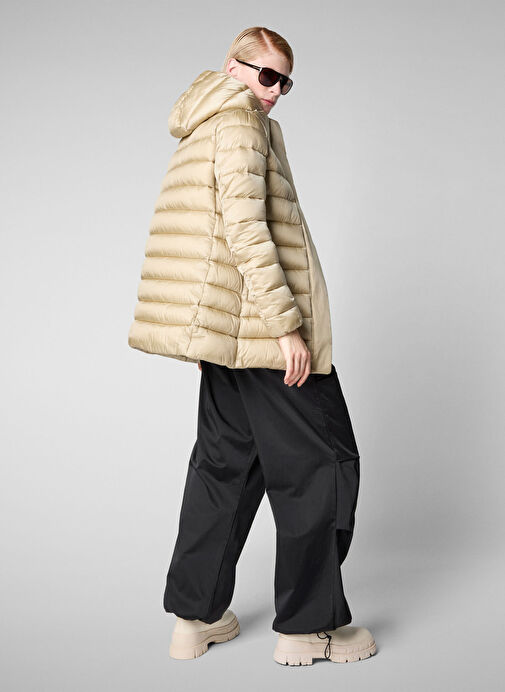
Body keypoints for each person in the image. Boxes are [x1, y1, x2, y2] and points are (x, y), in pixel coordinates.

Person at [127, 26, 376, 666]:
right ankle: (310, 628)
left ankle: (197, 617)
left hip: (230, 334)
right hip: (264, 332)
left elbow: (213, 233)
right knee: (324, 463)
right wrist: (287, 326)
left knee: (226, 467)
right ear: (233, 66)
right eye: (266, 75)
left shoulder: (206, 122)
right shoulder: (240, 123)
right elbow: (245, 231)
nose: (275, 92)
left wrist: (233, 330)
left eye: (285, 82)